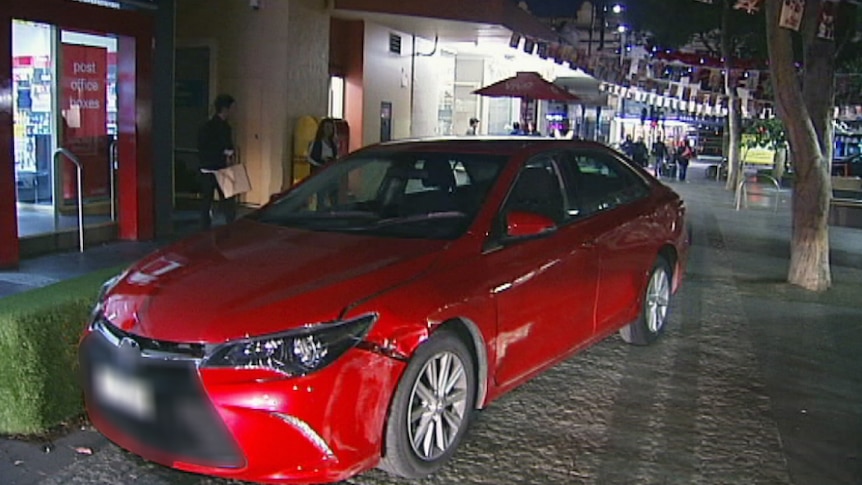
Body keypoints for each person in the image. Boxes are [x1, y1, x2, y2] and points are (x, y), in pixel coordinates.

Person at [197, 94, 237, 229]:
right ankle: (231, 229)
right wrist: (227, 152)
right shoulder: (223, 128)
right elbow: (225, 147)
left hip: (207, 168)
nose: (233, 111)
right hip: (220, 168)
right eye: (232, 108)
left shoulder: (206, 126)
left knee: (207, 201)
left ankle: (204, 229)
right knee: (228, 202)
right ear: (225, 109)